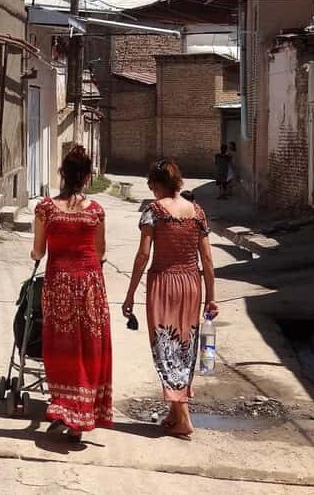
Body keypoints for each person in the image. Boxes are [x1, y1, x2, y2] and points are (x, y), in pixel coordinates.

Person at [122, 159, 218, 440]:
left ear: (159, 183)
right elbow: (208, 260)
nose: (151, 190)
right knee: (183, 348)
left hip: (163, 283)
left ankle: (184, 417)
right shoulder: (197, 212)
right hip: (191, 285)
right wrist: (211, 298)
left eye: (152, 184)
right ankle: (174, 414)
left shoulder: (153, 213)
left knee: (166, 347)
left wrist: (130, 295)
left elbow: (143, 256)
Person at [31, 145, 112, 441]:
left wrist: (38, 251)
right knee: (89, 348)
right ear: (88, 177)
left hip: (59, 287)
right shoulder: (96, 212)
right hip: (91, 286)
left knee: (61, 348)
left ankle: (65, 408)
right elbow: (100, 251)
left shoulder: (46, 209)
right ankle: (83, 412)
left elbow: (38, 251)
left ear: (62, 175)